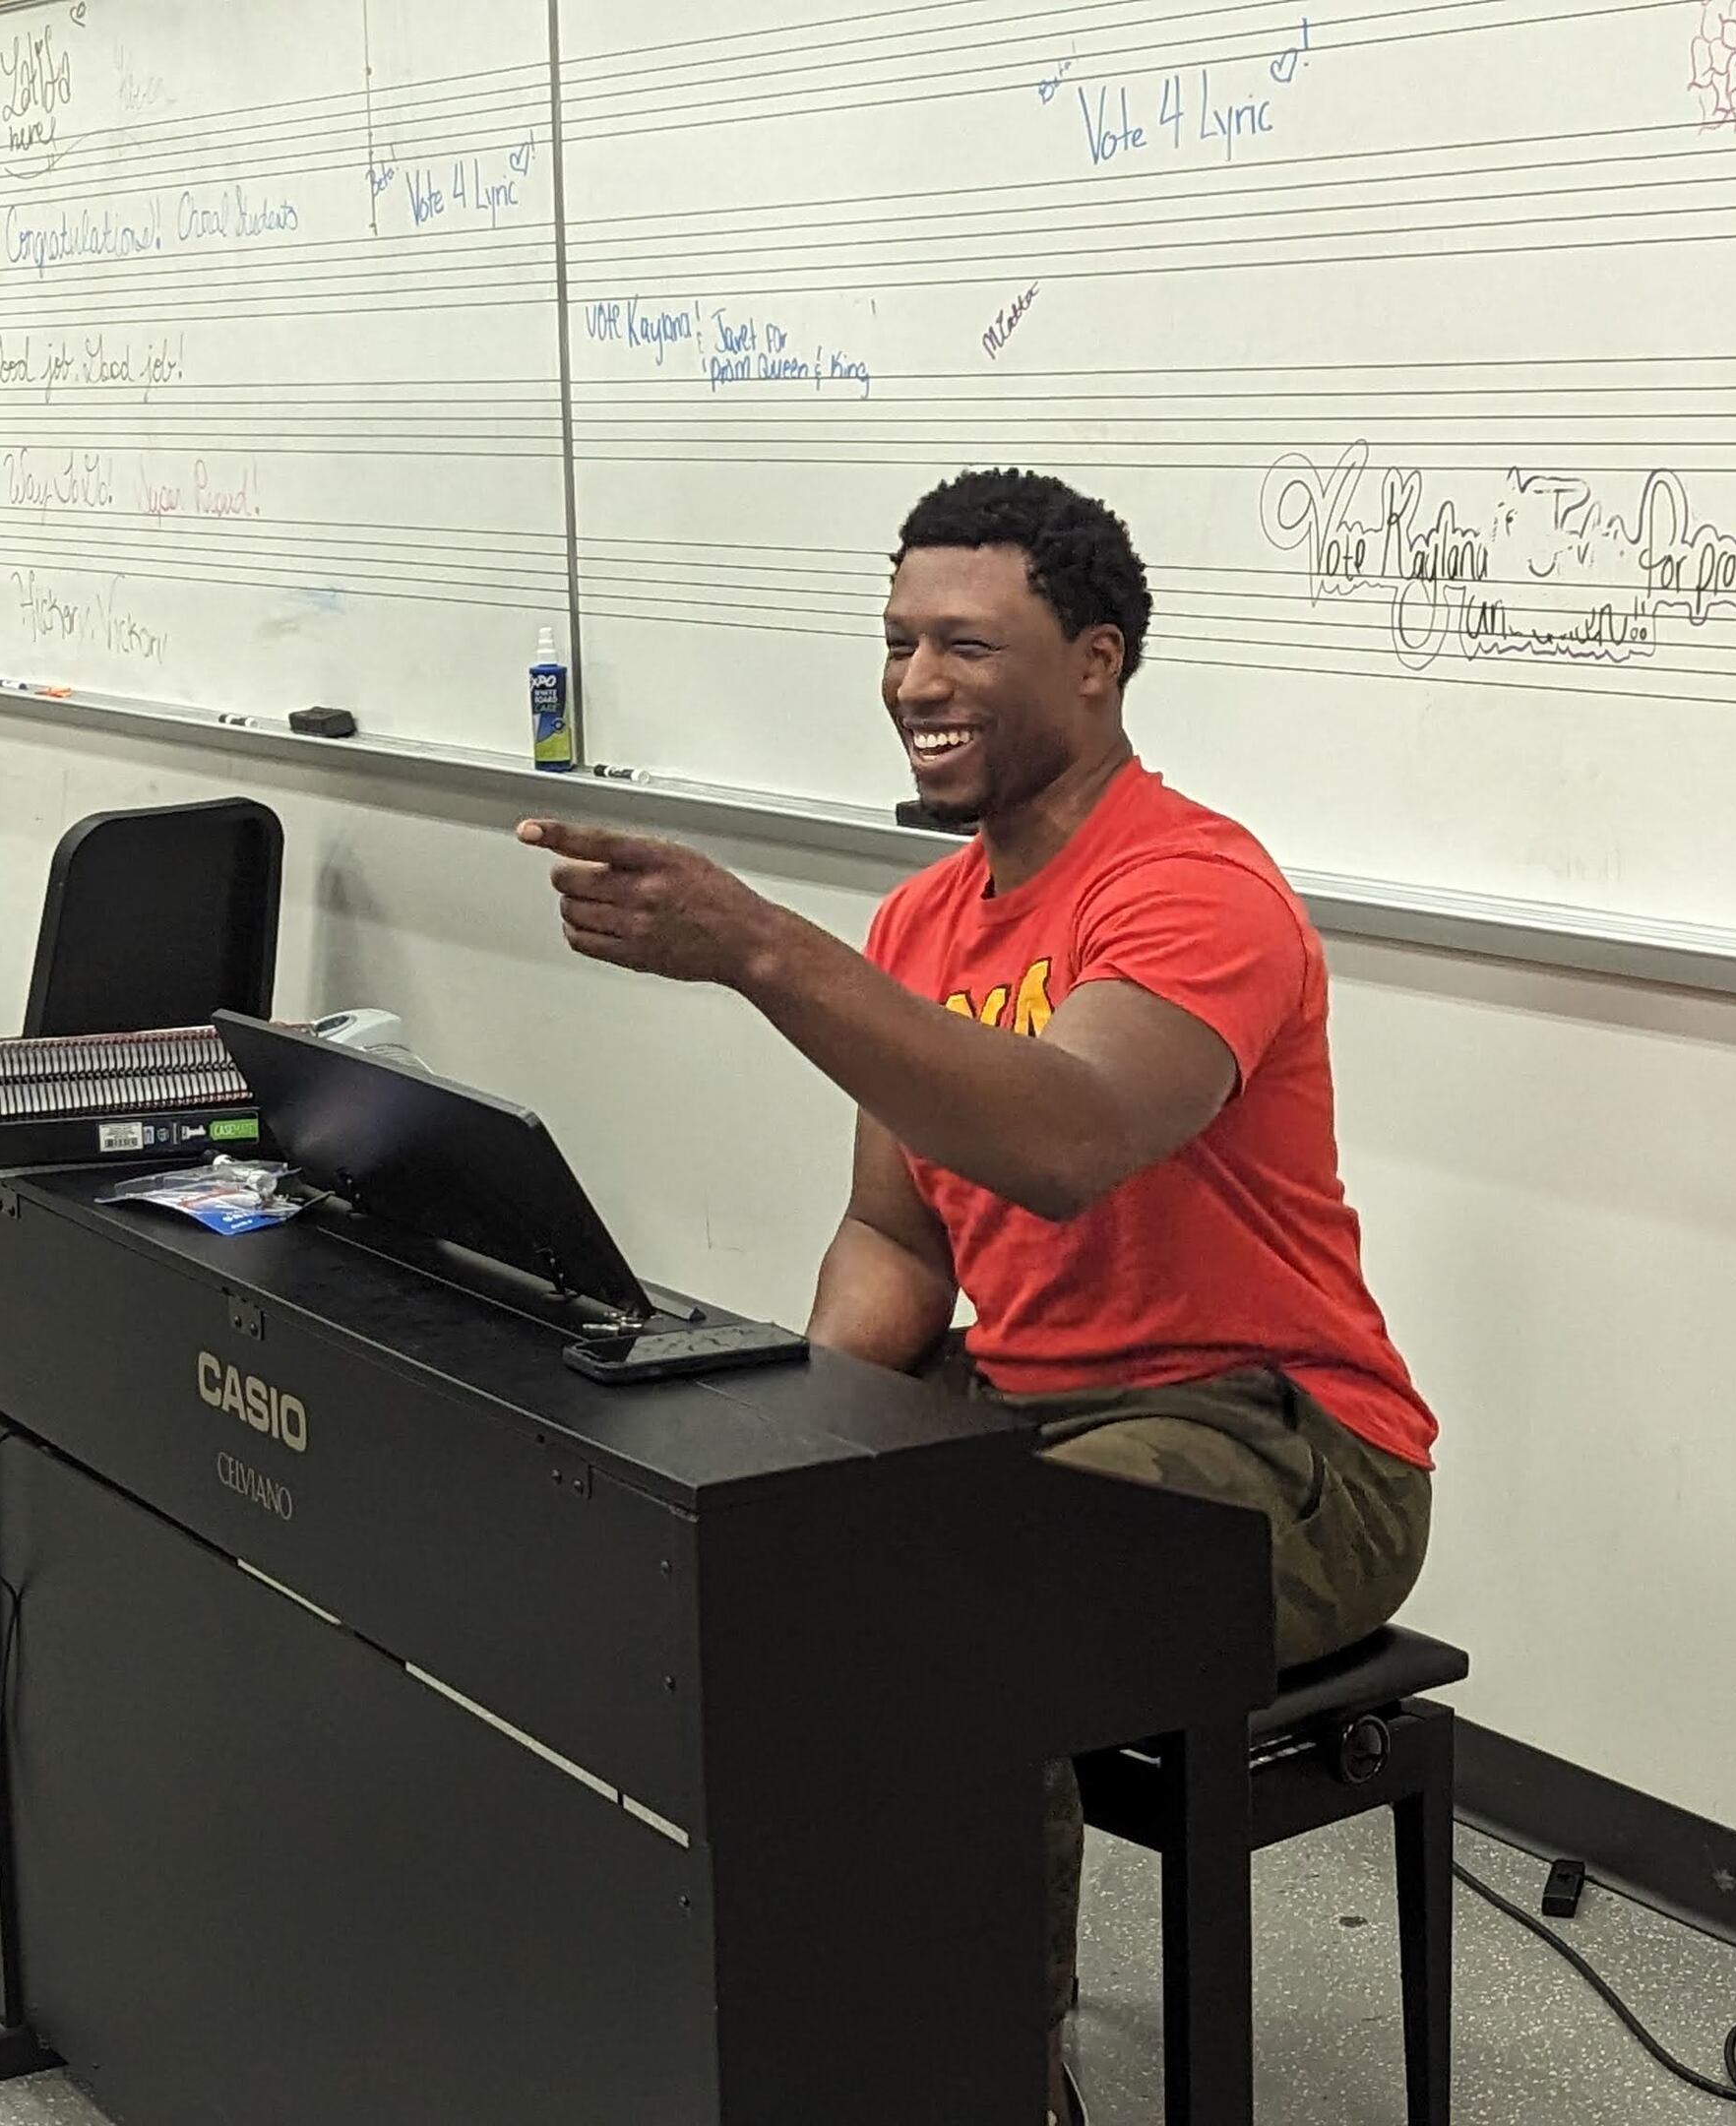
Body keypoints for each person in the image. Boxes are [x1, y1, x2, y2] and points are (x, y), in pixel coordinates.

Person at [520, 468, 1436, 2124]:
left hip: (1285, 1448)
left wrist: (760, 950)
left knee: (959, 1601)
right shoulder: (924, 918)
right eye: (895, 645)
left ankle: (989, 2088)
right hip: (1035, 1417)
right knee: (777, 1557)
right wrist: (795, 1433)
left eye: (962, 645)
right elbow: (899, 1240)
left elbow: (1070, 1141)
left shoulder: (1194, 889)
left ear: (1097, 660)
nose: (913, 685)